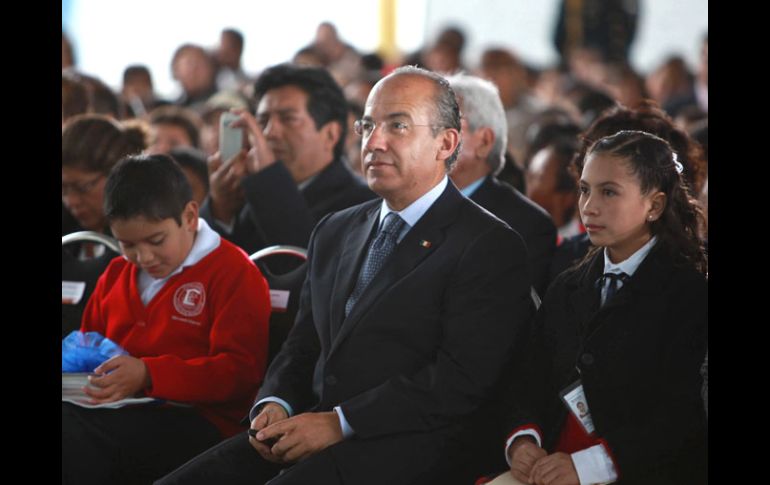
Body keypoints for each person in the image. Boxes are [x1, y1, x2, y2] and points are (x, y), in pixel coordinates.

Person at [158, 66, 534, 485]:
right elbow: (304, 343)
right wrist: (277, 401)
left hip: (408, 444)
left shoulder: (487, 244)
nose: (374, 142)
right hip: (309, 427)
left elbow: (458, 381)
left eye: (398, 126)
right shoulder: (336, 229)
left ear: (446, 143)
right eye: (368, 125)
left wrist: (339, 422)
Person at [500, 130, 707, 484]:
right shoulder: (569, 285)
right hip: (550, 465)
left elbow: (680, 416)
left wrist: (591, 465)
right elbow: (529, 377)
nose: (589, 206)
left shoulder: (689, 293)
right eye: (584, 189)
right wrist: (523, 440)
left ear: (654, 205)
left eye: (608, 192)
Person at [62, 154, 271, 485]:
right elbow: (90, 342)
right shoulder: (117, 272)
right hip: (115, 412)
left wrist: (148, 372)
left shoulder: (233, 272)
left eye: (156, 241)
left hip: (200, 421)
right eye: (127, 244)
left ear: (189, 216)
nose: (143, 257)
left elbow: (239, 374)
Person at [200, 63, 374, 259]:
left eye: (288, 119)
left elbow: (301, 264)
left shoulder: (363, 203)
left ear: (330, 135)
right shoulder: (249, 192)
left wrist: (270, 179)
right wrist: (220, 209)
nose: (269, 132)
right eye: (263, 121)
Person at [447, 72, 556, 296]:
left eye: (445, 124)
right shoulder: (401, 202)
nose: (429, 135)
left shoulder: (526, 224)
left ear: (484, 142)